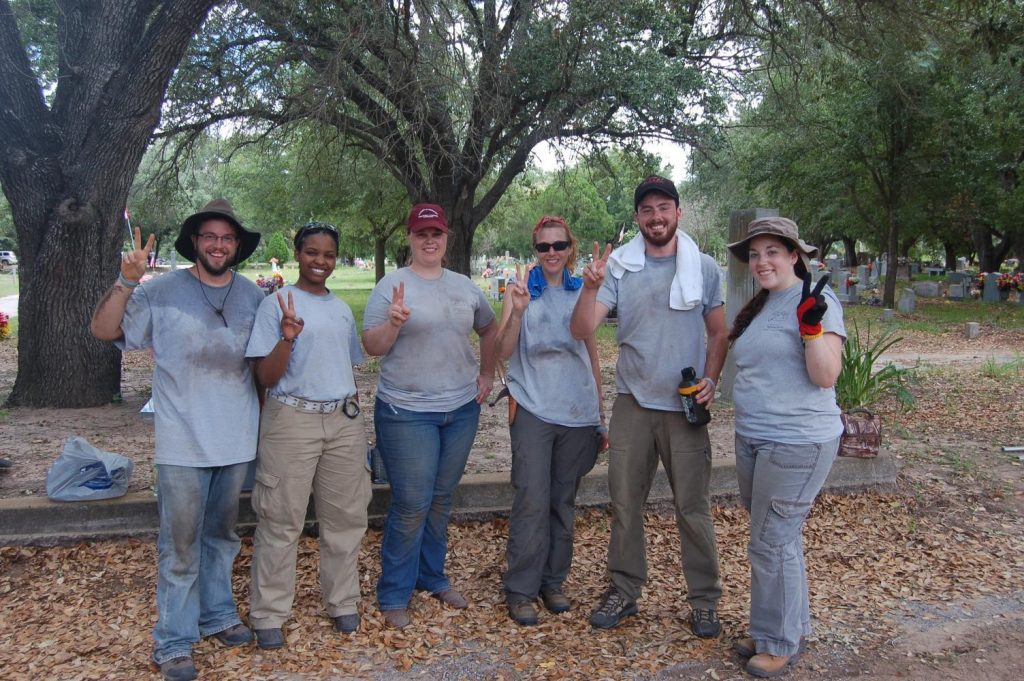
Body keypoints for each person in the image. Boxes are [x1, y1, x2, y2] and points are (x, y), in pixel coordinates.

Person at [90, 199, 263, 681]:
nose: (218, 245)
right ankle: (173, 640)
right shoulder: (161, 292)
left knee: (222, 537)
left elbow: (267, 367)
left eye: (227, 238)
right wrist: (127, 280)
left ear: (236, 246)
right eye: (209, 236)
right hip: (182, 443)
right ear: (194, 242)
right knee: (180, 545)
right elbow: (103, 330)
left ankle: (217, 615)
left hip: (237, 440)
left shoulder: (253, 296)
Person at [570, 175, 728, 637]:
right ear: (637, 217)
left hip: (685, 408)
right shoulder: (621, 267)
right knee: (624, 504)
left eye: (664, 207)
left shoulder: (703, 266)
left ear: (678, 212)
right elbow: (582, 330)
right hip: (634, 402)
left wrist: (712, 378)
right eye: (647, 210)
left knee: (693, 508)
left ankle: (704, 599)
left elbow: (718, 333)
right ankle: (624, 589)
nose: (656, 217)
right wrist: (590, 288)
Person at [362, 203, 497, 629]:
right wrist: (394, 323)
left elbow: (489, 329)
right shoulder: (392, 286)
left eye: (436, 233)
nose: (429, 240)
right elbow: (372, 345)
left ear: (446, 236)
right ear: (410, 238)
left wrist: (487, 373)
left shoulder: (464, 286)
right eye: (421, 234)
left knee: (440, 499)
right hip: (406, 411)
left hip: (459, 410)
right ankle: (395, 592)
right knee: (411, 503)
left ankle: (432, 576)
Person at [725, 217, 845, 678]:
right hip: (756, 437)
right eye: (755, 254)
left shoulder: (817, 301)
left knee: (770, 542)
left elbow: (825, 376)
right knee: (777, 540)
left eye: (773, 251)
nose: (761, 261)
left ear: (795, 255)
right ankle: (780, 625)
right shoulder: (763, 304)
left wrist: (812, 330)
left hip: (796, 440)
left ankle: (779, 642)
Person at [244, 222, 370, 649]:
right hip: (291, 419)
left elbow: (345, 366)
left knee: (346, 517)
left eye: (329, 254)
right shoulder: (276, 304)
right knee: (281, 519)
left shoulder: (338, 309)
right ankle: (269, 611)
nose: (321, 261)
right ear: (297, 254)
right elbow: (264, 375)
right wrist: (286, 338)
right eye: (312, 252)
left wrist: (352, 413)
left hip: (341, 420)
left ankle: (342, 600)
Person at [494, 216, 608, 626]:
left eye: (559, 245)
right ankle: (521, 589)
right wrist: (519, 312)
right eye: (544, 247)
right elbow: (504, 352)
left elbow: (591, 353)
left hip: (576, 413)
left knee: (562, 501)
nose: (552, 253)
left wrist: (600, 411)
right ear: (535, 251)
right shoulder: (521, 291)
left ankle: (552, 580)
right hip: (533, 408)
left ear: (570, 248)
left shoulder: (584, 291)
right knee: (530, 498)